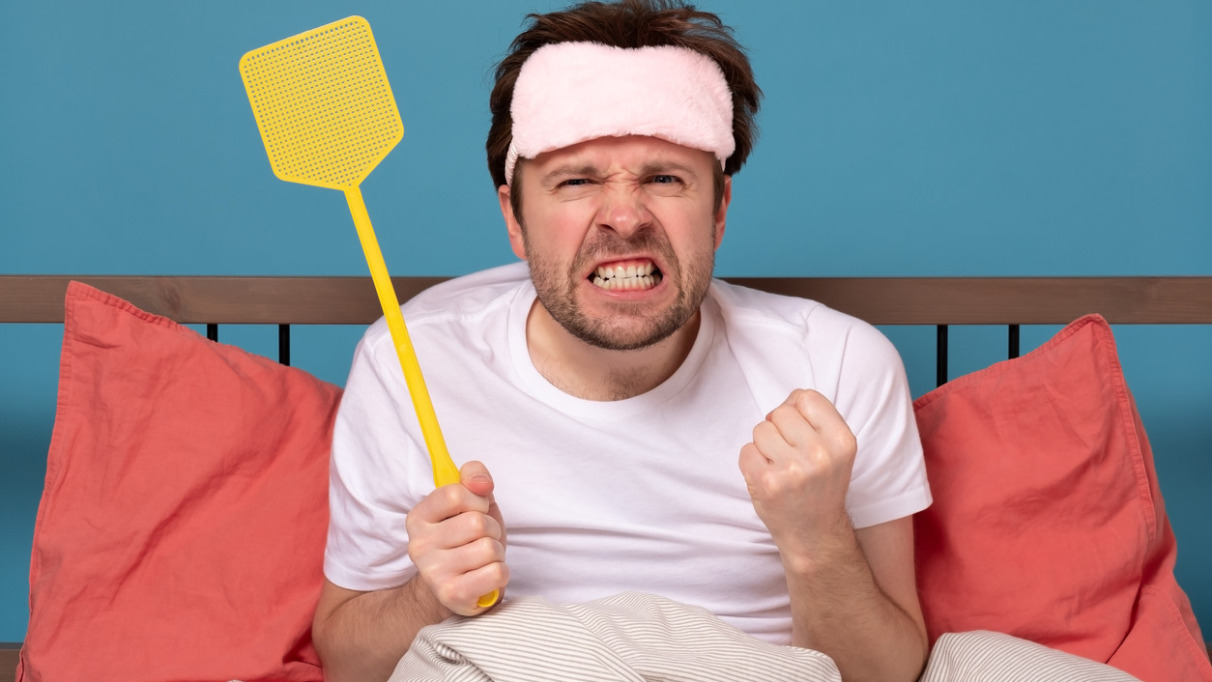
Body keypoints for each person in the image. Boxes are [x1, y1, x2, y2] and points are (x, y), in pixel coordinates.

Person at [313, 1, 932, 681]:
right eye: (575, 180)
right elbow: (346, 661)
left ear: (719, 210)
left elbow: (890, 673)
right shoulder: (411, 359)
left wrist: (817, 541)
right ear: (513, 219)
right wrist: (427, 597)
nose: (625, 216)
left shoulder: (836, 365)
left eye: (665, 178)